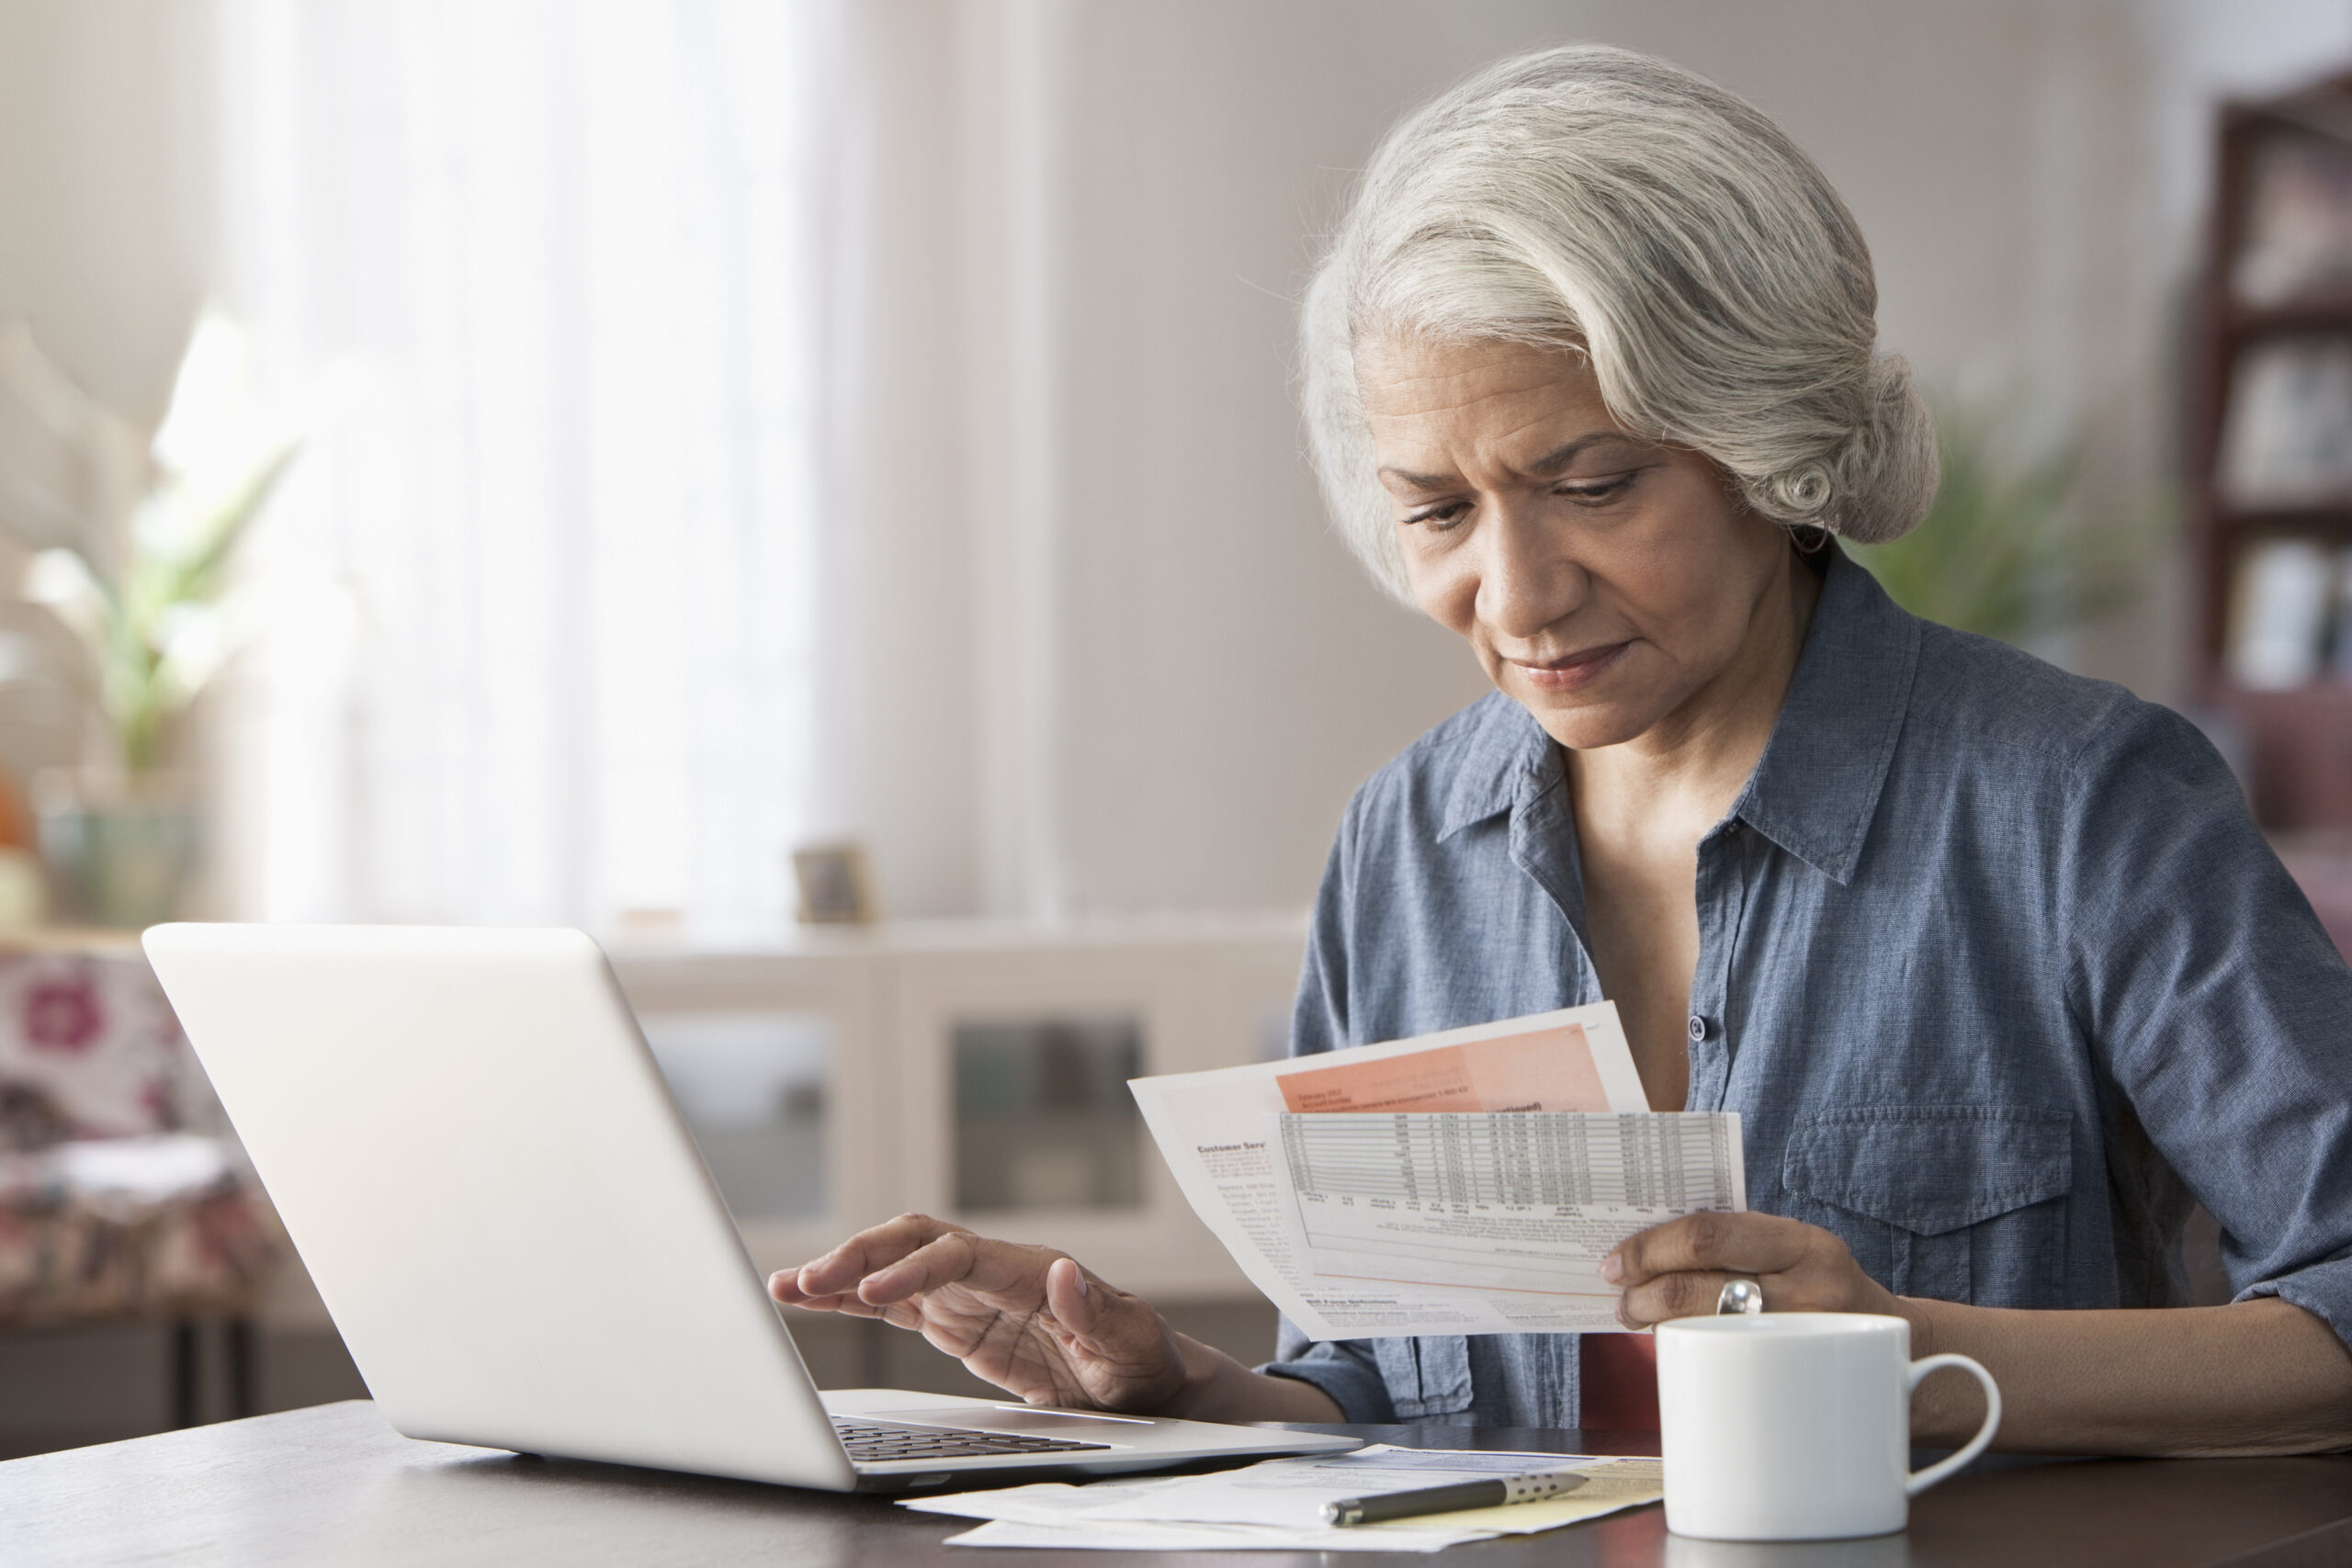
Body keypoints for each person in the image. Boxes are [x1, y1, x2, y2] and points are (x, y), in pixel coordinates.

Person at [772, 44, 2352, 1455]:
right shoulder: (1405, 841)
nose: (1514, 597)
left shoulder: (2079, 803)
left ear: (1766, 446)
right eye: (1440, 512)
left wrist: (1918, 1356)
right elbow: (1378, 1390)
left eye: (1593, 484)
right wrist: (1183, 1387)